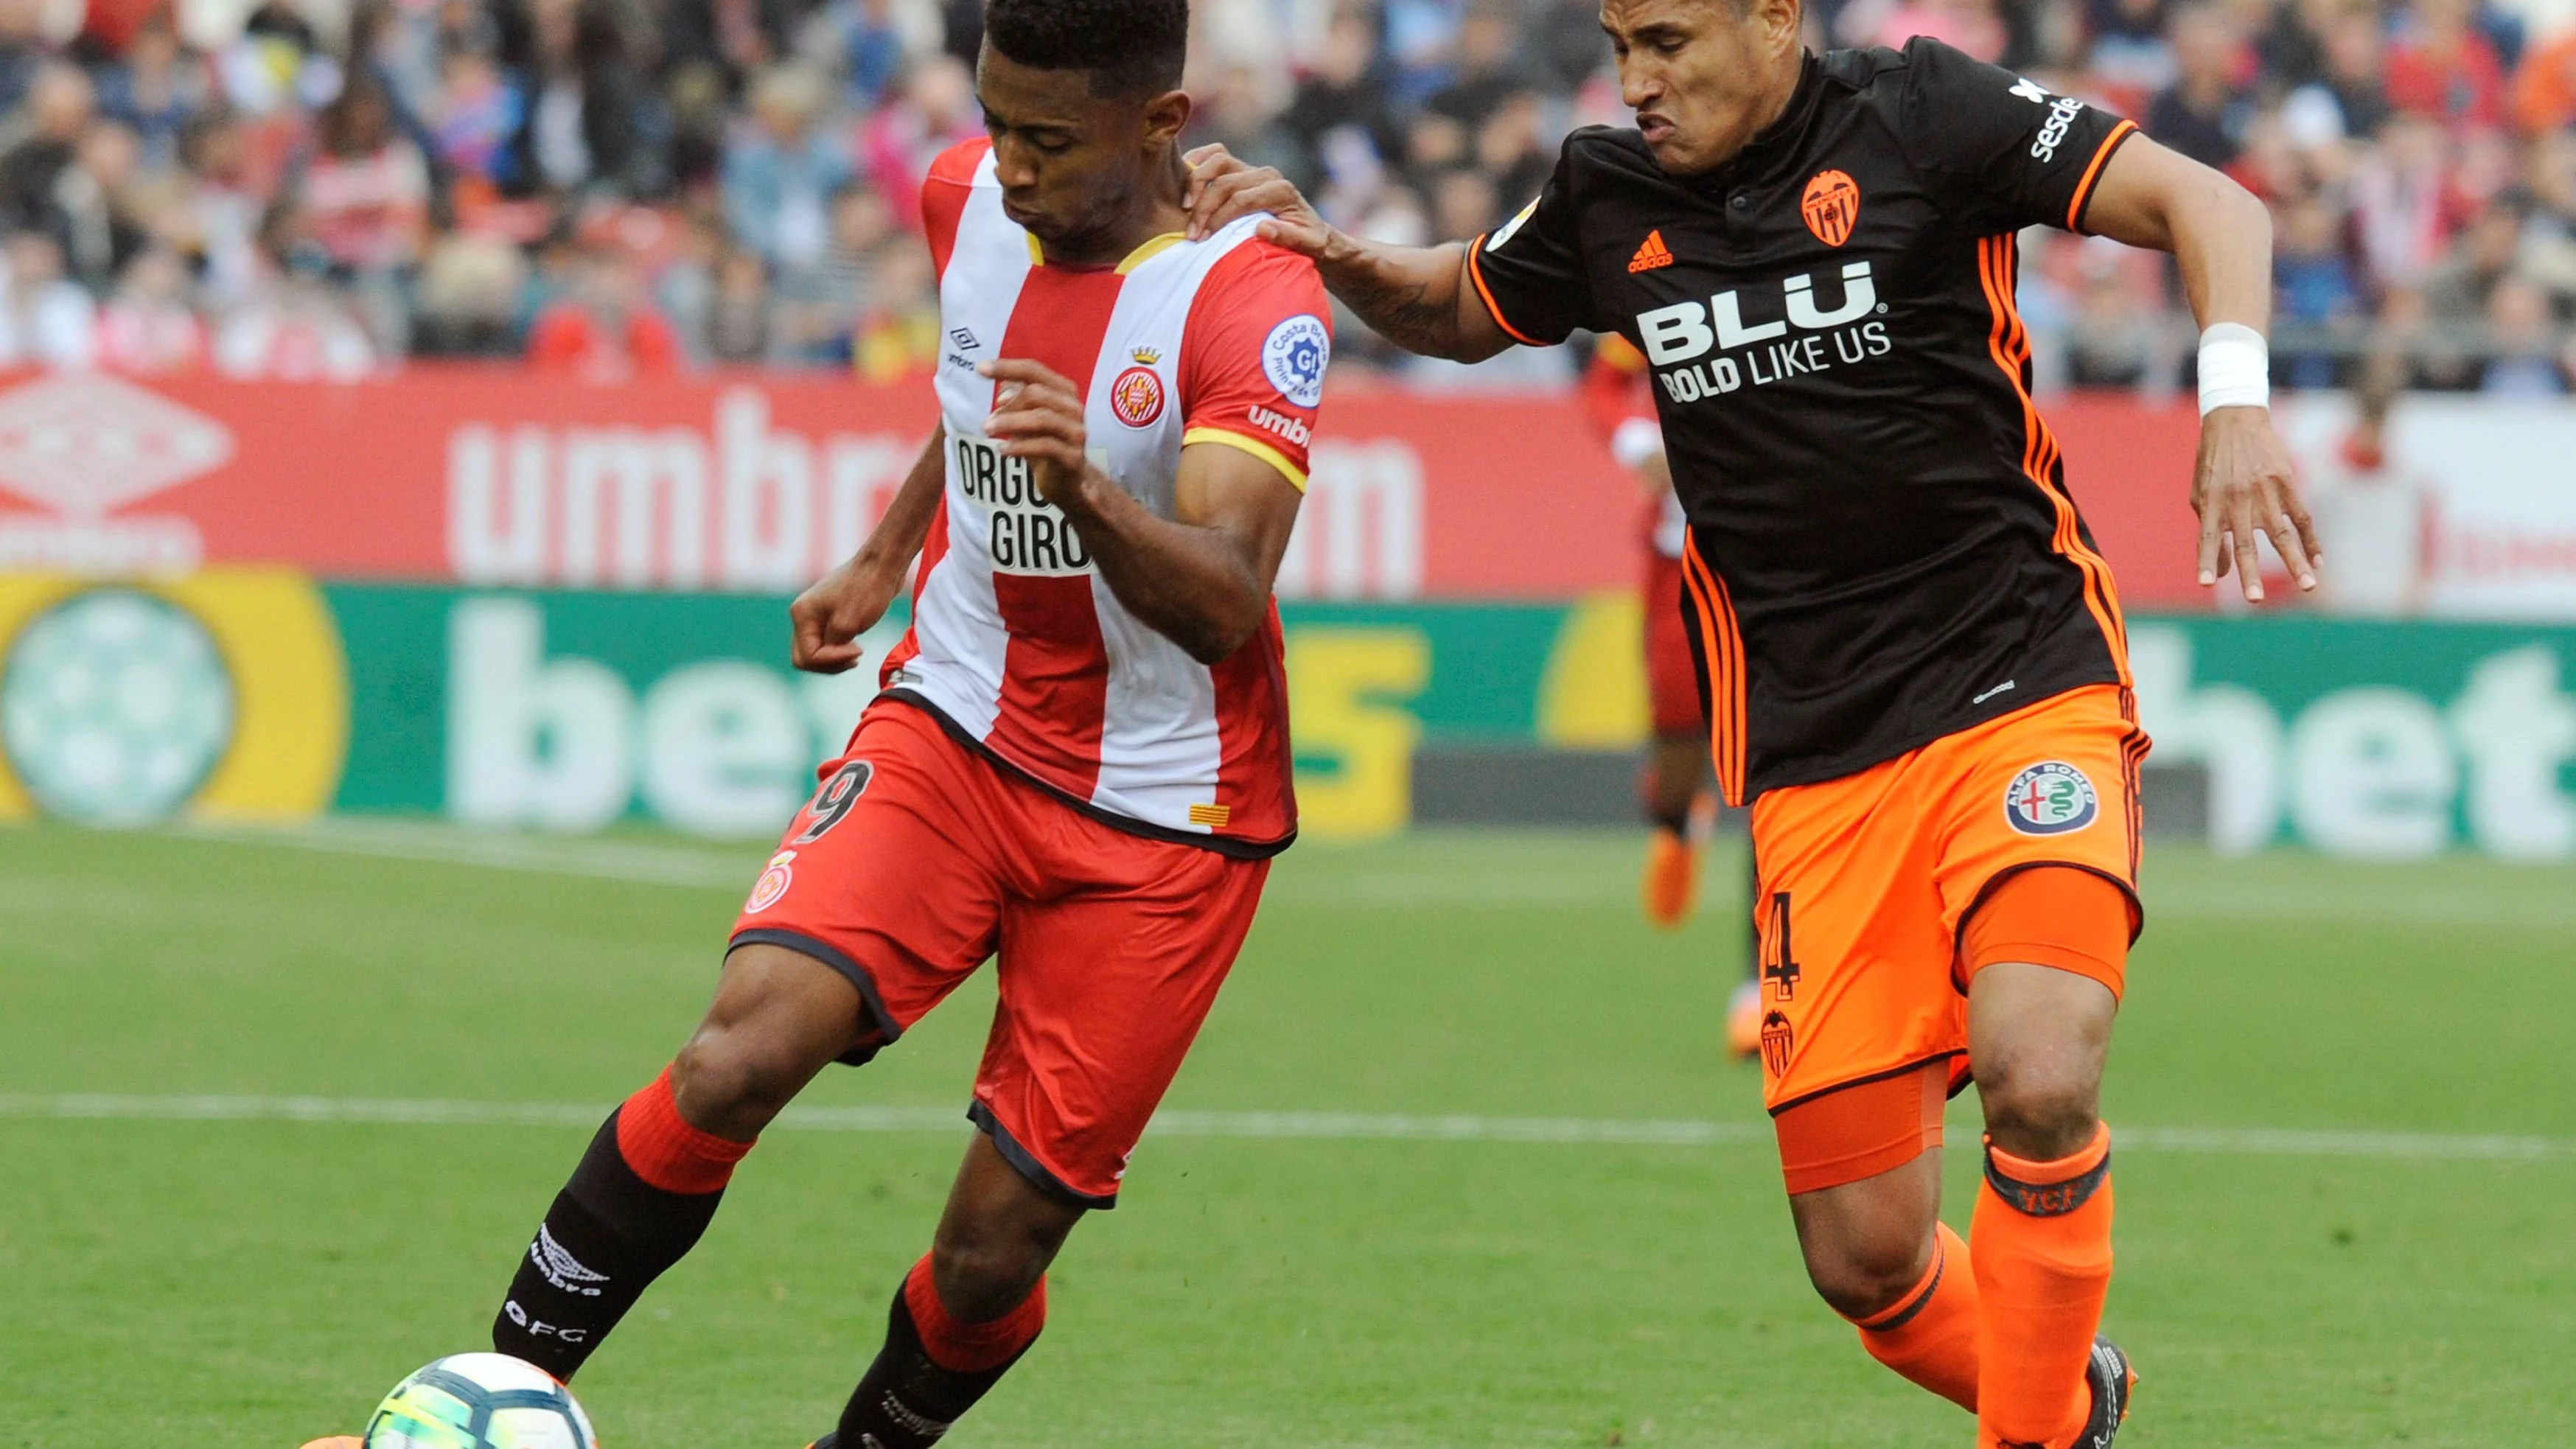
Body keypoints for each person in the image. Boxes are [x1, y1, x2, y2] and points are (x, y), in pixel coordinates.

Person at [1184, 0, 2320, 1445]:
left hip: (2015, 681)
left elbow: (2204, 197)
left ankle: (2033, 1433)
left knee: (2038, 1069)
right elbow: (1466, 304)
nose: (1636, 79)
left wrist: (2231, 399)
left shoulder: (1921, 114)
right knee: (1863, 1255)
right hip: (1811, 754)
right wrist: (1332, 255)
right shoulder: (1610, 188)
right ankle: (2067, 1387)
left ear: (1772, 17)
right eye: (1616, 46)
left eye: (1666, 40)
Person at [302, 4, 1330, 1448]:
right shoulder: (957, 194)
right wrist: (882, 549)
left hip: (1164, 816)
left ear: (1162, 123)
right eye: (998, 122)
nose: (1013, 167)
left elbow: (1224, 600)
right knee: (735, 1052)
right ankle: (477, 1409)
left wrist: (1090, 488)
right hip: (959, 719)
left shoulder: (1253, 296)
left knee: (990, 1257)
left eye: (1051, 139)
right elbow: (979, 393)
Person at [1581, 333, 1765, 1057]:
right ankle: (1674, 817)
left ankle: (1758, 988)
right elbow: (1603, 384)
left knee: (1769, 787)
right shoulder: (1661, 271)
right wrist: (1636, 444)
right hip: (1677, 566)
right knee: (1680, 748)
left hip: (1771, 569)